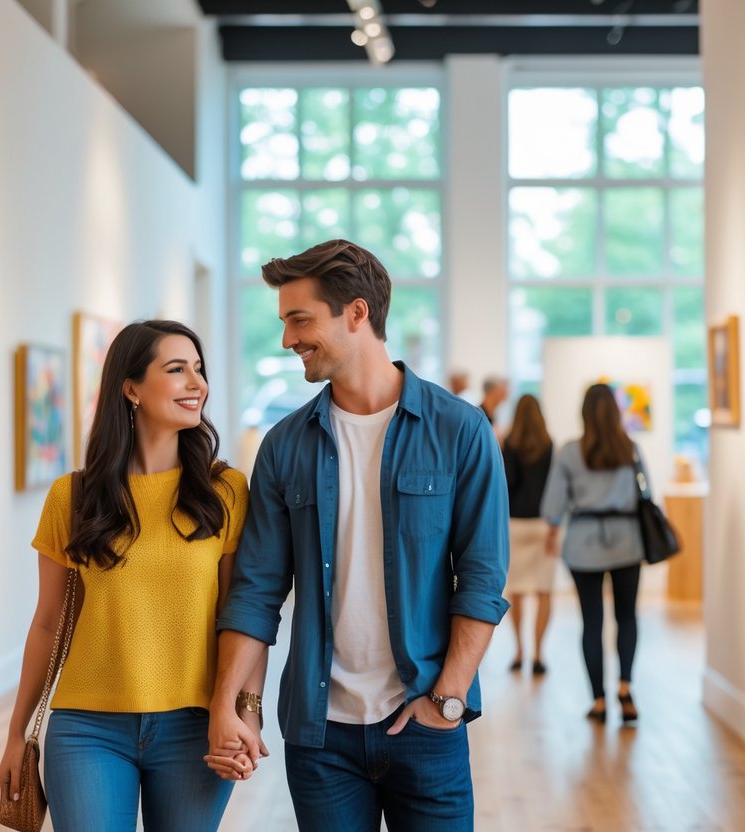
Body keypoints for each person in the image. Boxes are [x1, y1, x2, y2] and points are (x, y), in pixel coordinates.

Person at [206, 239, 510, 832]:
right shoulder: (285, 445)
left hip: (426, 725)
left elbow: (481, 578)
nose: (288, 338)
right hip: (321, 740)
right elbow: (256, 590)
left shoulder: (459, 430)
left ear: (357, 313)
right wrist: (229, 703)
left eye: (300, 319)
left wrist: (446, 700)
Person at [0, 320, 265, 832]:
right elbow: (48, 623)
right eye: (177, 369)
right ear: (131, 388)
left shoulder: (225, 491)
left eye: (199, 369)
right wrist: (17, 735)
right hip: (87, 728)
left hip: (196, 725)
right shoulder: (70, 497)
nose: (197, 383)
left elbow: (243, 613)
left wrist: (244, 710)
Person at [540, 383, 646, 725]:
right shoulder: (630, 448)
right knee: (627, 617)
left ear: (583, 413)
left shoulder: (571, 452)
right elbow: (649, 494)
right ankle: (626, 687)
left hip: (583, 545)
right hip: (628, 541)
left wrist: (555, 528)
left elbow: (552, 507)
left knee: (592, 621)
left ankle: (599, 701)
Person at [500, 394, 556, 675]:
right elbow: (554, 488)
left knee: (518, 590)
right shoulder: (549, 445)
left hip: (516, 524)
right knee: (544, 590)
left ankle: (519, 650)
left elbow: (507, 483)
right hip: (543, 524)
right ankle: (539, 654)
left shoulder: (510, 444)